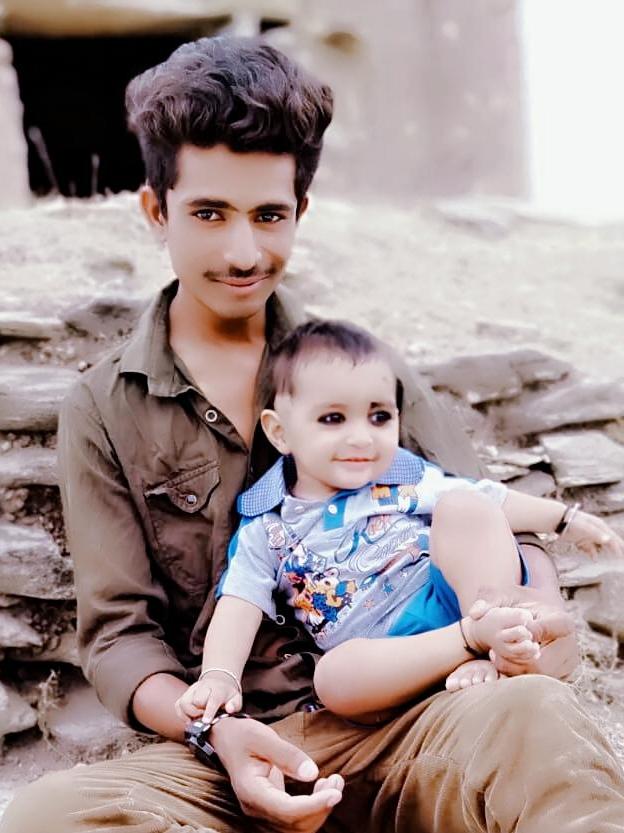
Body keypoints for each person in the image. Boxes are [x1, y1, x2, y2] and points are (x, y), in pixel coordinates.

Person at [3, 34, 624, 833]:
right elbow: (121, 638)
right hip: (224, 754)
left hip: (415, 718)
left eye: (269, 215)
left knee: (540, 726)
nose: (243, 251)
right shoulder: (104, 406)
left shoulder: (365, 371)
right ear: (157, 211)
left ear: (301, 212)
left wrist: (526, 620)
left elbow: (483, 516)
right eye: (209, 214)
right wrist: (219, 732)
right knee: (50, 814)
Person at [175, 319, 624, 725]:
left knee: (464, 505)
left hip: (452, 600)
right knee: (333, 677)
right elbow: (239, 603)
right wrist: (219, 675)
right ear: (280, 432)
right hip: (387, 657)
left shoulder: (402, 478)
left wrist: (564, 518)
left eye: (379, 417)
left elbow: (492, 499)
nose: (361, 437)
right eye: (333, 418)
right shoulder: (267, 524)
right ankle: (473, 644)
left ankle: (497, 638)